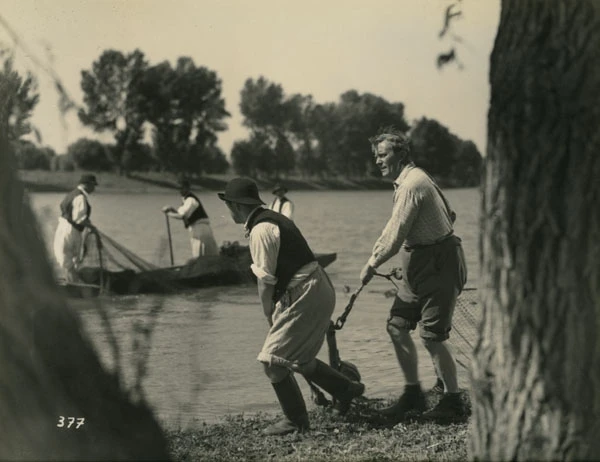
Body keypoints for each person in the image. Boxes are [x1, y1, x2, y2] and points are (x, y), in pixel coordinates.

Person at [218, 177, 364, 435]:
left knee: (272, 362)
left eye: (228, 204)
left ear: (236, 205)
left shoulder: (261, 230)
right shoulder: (271, 219)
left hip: (307, 291)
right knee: (300, 360)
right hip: (318, 287)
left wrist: (269, 315)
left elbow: (265, 282)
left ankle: (295, 420)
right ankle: (347, 390)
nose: (227, 210)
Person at [359, 128, 467, 422]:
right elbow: (450, 215)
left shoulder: (411, 185)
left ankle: (453, 401)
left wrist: (372, 263)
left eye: (383, 155)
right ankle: (413, 394)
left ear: (401, 154)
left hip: (439, 263)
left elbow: (394, 234)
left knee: (432, 336)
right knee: (396, 325)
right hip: (418, 263)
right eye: (376, 156)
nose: (378, 162)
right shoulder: (412, 179)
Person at [53, 174, 98, 282]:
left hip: (66, 229)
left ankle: (73, 284)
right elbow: (79, 219)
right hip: (71, 230)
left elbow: (77, 217)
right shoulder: (80, 197)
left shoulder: (73, 194)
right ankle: (74, 284)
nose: (94, 188)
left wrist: (89, 225)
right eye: (93, 185)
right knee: (68, 260)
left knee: (66, 259)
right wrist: (91, 227)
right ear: (87, 184)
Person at [162, 179, 219, 258]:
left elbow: (181, 216)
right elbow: (181, 214)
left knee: (200, 256)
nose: (180, 190)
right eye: (179, 188)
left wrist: (168, 214)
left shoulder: (190, 200)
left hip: (200, 230)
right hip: (198, 229)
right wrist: (171, 209)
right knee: (205, 256)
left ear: (188, 188)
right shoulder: (186, 200)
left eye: (182, 188)